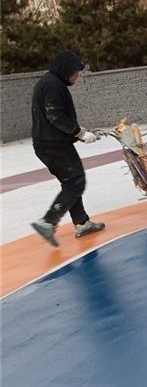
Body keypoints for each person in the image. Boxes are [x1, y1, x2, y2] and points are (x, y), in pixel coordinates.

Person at [30, 50, 105, 247]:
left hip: (47, 144)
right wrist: (79, 133)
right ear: (65, 69)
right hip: (54, 146)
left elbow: (57, 117)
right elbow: (55, 116)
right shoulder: (53, 85)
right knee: (76, 182)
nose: (77, 76)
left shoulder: (50, 82)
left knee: (70, 182)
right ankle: (48, 221)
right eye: (75, 72)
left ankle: (82, 223)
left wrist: (80, 131)